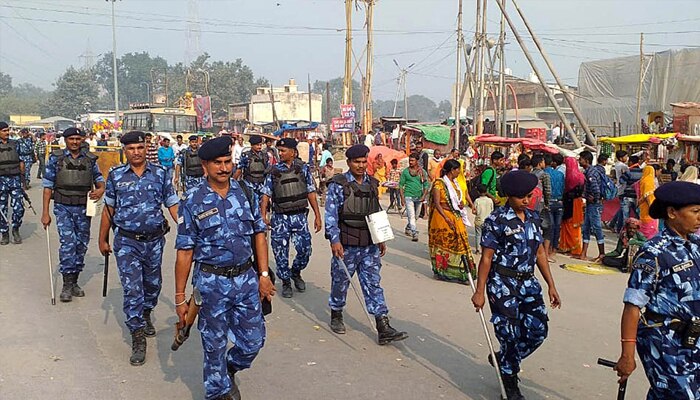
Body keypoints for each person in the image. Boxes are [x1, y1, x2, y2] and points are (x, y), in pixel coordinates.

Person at [174, 136, 274, 400]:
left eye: (227, 161)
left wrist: (264, 275)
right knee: (214, 345)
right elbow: (184, 251)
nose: (223, 168)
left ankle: (228, 369)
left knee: (253, 342)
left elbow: (259, 235)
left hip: (246, 279)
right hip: (211, 284)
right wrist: (180, 298)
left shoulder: (245, 193)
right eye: (217, 163)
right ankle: (217, 390)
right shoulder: (193, 200)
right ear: (205, 165)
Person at [471, 170, 561, 400]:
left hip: (528, 283)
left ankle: (505, 359)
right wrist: (479, 291)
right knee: (508, 334)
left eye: (529, 196)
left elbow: (540, 252)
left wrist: (551, 285)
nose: (527, 200)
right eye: (522, 196)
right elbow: (487, 258)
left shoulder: (532, 218)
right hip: (503, 284)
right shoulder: (496, 220)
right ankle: (510, 382)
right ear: (509, 196)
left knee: (538, 331)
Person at [98, 131, 179, 366]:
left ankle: (146, 312)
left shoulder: (161, 174)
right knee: (133, 289)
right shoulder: (115, 175)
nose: (136, 152)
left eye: (140, 148)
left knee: (152, 284)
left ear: (146, 149)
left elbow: (172, 204)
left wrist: (185, 228)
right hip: (127, 242)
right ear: (125, 150)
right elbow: (109, 209)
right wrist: (102, 239)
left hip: (154, 240)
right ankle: (137, 336)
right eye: (131, 148)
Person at [615, 181, 700, 399]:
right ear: (672, 213)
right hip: (663, 339)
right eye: (695, 212)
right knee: (683, 395)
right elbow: (633, 305)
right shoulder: (653, 252)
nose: (699, 217)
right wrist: (627, 354)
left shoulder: (696, 245)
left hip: (693, 339)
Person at [325, 144, 408, 344]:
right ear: (349, 163)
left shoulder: (372, 183)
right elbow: (331, 215)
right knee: (341, 282)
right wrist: (334, 240)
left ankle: (383, 325)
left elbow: (376, 211)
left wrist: (381, 238)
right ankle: (336, 312)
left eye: (364, 162)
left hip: (369, 245)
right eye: (356, 162)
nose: (361, 166)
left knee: (373, 283)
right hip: (347, 244)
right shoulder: (338, 184)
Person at [41, 127, 105, 300]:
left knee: (81, 244)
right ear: (66, 140)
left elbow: (99, 180)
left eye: (78, 138)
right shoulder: (56, 159)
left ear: (82, 140)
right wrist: (45, 213)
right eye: (71, 139)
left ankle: (75, 280)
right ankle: (67, 284)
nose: (75, 142)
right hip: (63, 207)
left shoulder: (90, 160)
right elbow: (47, 187)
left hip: (84, 208)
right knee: (68, 243)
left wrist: (100, 190)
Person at [261, 138, 321, 299]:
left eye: (283, 151)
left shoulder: (303, 169)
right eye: (279, 151)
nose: (280, 153)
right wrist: (263, 215)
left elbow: (311, 192)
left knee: (305, 249)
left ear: (293, 152)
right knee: (280, 252)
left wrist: (317, 215)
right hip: (280, 218)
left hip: (299, 217)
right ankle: (286, 280)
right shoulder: (273, 171)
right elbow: (266, 194)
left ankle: (296, 271)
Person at [428, 159, 477, 283]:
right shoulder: (439, 184)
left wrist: (460, 204)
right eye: (457, 170)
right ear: (452, 170)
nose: (459, 172)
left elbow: (457, 198)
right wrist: (446, 218)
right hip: (442, 218)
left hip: (455, 216)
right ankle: (443, 271)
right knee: (444, 245)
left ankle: (462, 271)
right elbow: (437, 204)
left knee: (460, 242)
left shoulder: (455, 183)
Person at [577, 151, 606, 261]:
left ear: (587, 160)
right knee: (586, 228)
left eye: (581, 159)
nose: (579, 161)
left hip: (594, 204)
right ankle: (583, 253)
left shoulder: (591, 173)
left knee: (597, 228)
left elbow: (596, 189)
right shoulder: (590, 171)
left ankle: (601, 253)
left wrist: (594, 198)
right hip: (591, 204)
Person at [0, 121, 25, 245]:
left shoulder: (16, 144)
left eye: (7, 130)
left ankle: (15, 229)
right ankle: (4, 232)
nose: (7, 132)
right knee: (1, 208)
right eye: (4, 130)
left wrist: (23, 180)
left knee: (18, 207)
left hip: (15, 180)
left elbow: (21, 161)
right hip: (1, 181)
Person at [399, 152, 430, 242]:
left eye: (412, 160)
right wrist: (402, 198)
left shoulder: (422, 172)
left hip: (419, 197)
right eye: (410, 160)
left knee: (416, 216)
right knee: (411, 216)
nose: (411, 162)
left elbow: (426, 185)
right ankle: (414, 233)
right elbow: (401, 185)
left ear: (417, 161)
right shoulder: (405, 172)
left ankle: (408, 228)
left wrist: (424, 196)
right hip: (408, 196)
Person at [559, 157, 585, 256]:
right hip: (578, 202)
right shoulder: (581, 175)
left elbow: (566, 190)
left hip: (570, 202)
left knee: (568, 224)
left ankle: (568, 245)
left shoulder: (569, 176)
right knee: (575, 225)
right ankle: (575, 246)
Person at [234, 135, 269, 199]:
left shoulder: (265, 155)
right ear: (252, 145)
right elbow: (239, 170)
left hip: (262, 185)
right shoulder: (246, 156)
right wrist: (232, 182)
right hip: (249, 185)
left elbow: (268, 170)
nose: (259, 147)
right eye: (257, 145)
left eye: (260, 145)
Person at [531, 155, 553, 260]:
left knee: (533, 226)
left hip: (530, 205)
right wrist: (547, 204)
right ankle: (545, 253)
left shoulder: (530, 174)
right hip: (541, 204)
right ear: (540, 163)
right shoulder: (545, 175)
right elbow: (547, 191)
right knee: (547, 228)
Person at [544, 154, 564, 256]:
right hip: (559, 202)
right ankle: (554, 248)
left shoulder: (543, 174)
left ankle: (547, 249)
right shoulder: (560, 174)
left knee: (549, 226)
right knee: (557, 226)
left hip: (549, 202)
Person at [638, 165, 660, 239]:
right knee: (650, 230)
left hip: (643, 208)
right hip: (648, 209)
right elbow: (648, 196)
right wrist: (652, 208)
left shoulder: (643, 180)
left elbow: (644, 195)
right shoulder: (649, 181)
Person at [473, 184, 493, 254]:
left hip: (479, 220)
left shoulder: (477, 200)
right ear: (486, 191)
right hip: (487, 221)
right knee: (486, 236)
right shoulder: (490, 200)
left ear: (478, 192)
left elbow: (474, 211)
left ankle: (478, 250)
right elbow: (492, 210)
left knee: (478, 235)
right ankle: (485, 249)